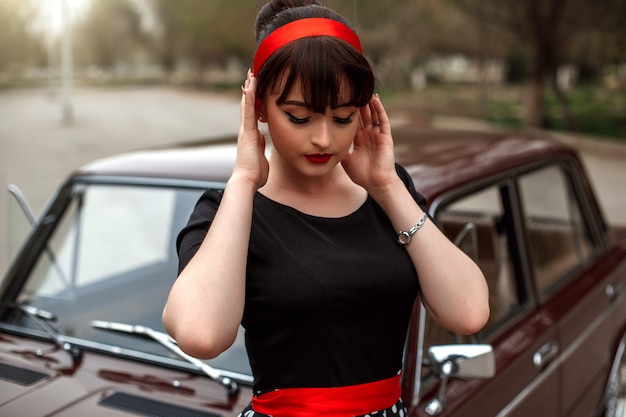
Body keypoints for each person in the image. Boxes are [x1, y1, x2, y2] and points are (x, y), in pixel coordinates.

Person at [162, 1, 490, 416]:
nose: (323, 139)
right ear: (258, 106)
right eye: (299, 117)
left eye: (343, 117)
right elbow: (200, 334)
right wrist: (245, 178)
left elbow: (469, 312)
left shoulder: (388, 192)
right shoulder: (230, 210)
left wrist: (386, 186)